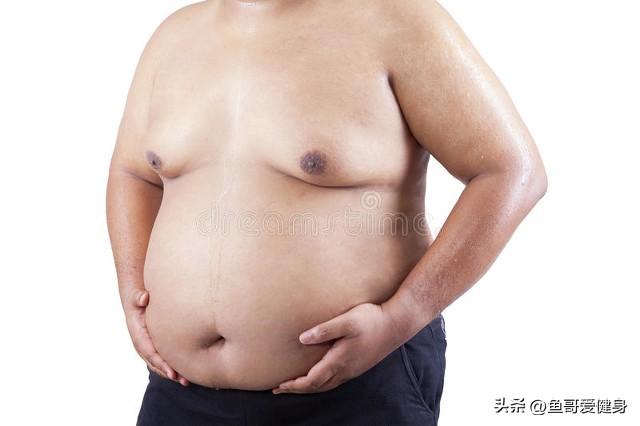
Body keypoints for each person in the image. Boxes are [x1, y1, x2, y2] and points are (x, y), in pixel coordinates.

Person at [106, 0, 547, 424]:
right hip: (178, 390)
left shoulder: (397, 19)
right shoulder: (172, 37)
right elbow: (134, 174)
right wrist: (132, 292)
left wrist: (402, 316)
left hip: (358, 385)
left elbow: (512, 172)